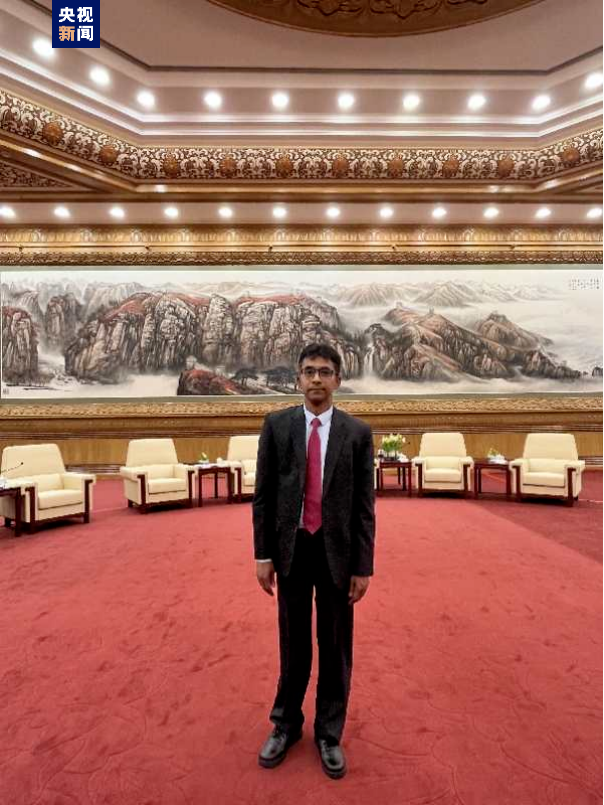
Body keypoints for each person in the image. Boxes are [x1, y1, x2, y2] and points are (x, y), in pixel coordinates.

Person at [253, 343, 376, 780]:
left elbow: (364, 506)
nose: (317, 379)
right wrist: (263, 554)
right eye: (309, 371)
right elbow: (263, 496)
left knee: (335, 644)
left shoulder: (357, 433)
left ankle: (329, 732)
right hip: (291, 551)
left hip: (337, 553)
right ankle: (285, 725)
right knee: (294, 643)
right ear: (298, 379)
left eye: (325, 371)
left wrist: (363, 566)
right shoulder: (277, 426)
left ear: (338, 379)